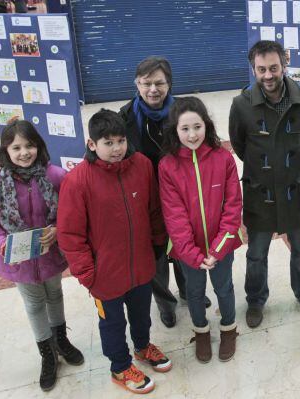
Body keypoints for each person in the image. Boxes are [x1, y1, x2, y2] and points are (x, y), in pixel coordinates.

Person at [58, 110, 172, 394]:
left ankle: (143, 347)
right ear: (91, 144)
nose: (117, 149)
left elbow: (154, 210)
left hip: (141, 265)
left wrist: (157, 245)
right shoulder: (78, 181)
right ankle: (120, 367)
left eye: (120, 141)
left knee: (142, 313)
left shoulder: (142, 166)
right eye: (108, 143)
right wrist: (87, 274)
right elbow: (70, 234)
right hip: (104, 274)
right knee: (112, 323)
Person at [0, 120, 83, 392]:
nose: (24, 152)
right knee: (34, 303)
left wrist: (58, 229)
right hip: (18, 260)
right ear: (5, 151)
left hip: (50, 255)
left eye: (29, 145)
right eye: (16, 147)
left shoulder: (55, 176)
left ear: (39, 146)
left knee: (55, 294)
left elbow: (72, 211)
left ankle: (61, 339)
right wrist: (0, 242)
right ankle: (47, 352)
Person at [229, 40, 300, 328]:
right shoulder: (241, 105)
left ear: (284, 65)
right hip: (260, 194)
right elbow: (240, 145)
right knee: (256, 253)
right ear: (253, 69)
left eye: (273, 67)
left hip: (296, 192)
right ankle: (256, 300)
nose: (268, 75)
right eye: (261, 69)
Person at [158, 97, 243, 363]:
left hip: (222, 246)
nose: (192, 134)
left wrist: (218, 249)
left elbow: (233, 207)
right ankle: (201, 331)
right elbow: (174, 216)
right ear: (175, 130)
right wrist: (193, 254)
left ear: (206, 126)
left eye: (197, 126)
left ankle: (229, 328)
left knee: (224, 288)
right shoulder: (167, 166)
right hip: (188, 251)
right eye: (185, 129)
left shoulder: (223, 159)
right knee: (194, 293)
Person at [119, 56, 199, 328]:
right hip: (145, 200)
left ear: (169, 84)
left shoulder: (184, 111)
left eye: (159, 83)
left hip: (180, 195)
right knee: (156, 255)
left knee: (184, 245)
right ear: (137, 84)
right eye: (146, 83)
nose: (153, 89)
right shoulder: (125, 116)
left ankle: (190, 292)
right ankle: (166, 303)